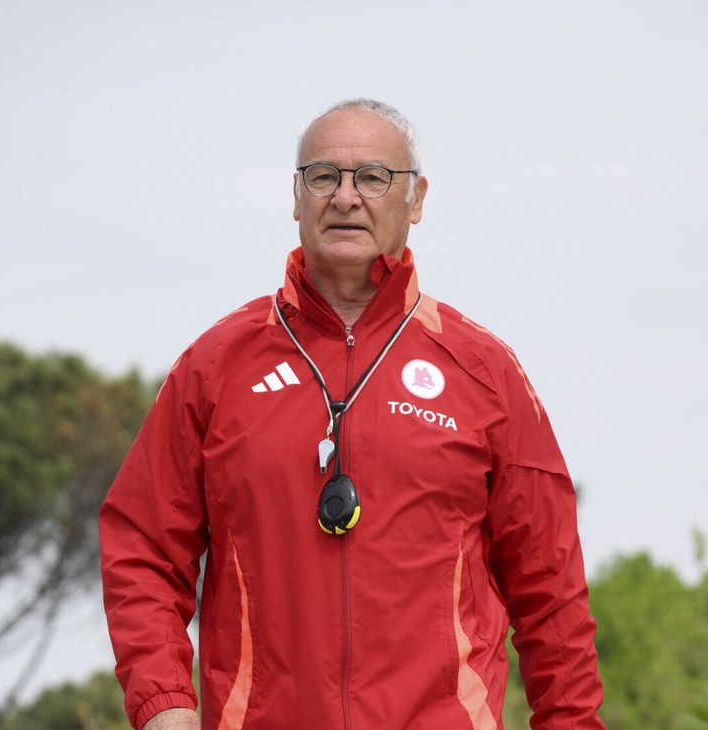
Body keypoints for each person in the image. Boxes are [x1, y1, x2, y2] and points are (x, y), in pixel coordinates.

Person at [99, 98, 605, 730]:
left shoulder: (486, 372)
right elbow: (141, 545)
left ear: (415, 200)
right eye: (323, 176)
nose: (345, 197)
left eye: (372, 177)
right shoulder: (215, 366)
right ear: (295, 197)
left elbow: (551, 593)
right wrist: (164, 704)